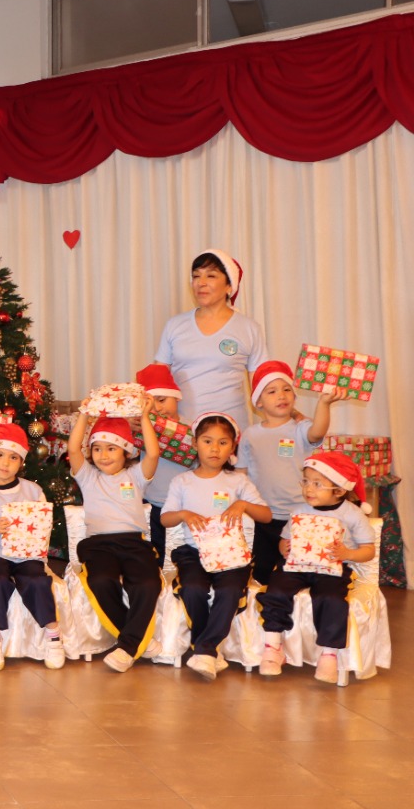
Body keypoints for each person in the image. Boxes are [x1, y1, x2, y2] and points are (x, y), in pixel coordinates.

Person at [160, 412, 270, 681]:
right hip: (193, 553)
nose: (215, 449)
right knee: (194, 588)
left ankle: (204, 650)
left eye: (223, 443)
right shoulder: (182, 481)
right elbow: (165, 519)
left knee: (230, 589)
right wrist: (184, 514)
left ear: (232, 447)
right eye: (207, 441)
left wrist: (242, 504)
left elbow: (266, 515)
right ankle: (207, 650)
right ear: (195, 443)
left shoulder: (239, 482)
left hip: (231, 555)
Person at [256, 452, 377, 683]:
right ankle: (273, 646)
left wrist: (348, 554)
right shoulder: (299, 511)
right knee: (276, 590)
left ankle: (329, 655)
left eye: (317, 484)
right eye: (305, 481)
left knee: (331, 598)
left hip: (332, 569)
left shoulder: (352, 514)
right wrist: (284, 548)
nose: (308, 489)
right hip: (296, 566)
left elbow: (369, 550)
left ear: (339, 490)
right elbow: (284, 540)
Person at [66, 410, 162, 672]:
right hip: (98, 545)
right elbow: (73, 449)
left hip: (134, 543)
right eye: (97, 449)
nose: (103, 455)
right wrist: (84, 416)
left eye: (111, 448)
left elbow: (153, 454)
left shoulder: (136, 476)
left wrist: (144, 417)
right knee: (100, 580)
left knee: (148, 583)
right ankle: (137, 641)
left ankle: (128, 646)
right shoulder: (88, 476)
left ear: (126, 452)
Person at [0, 421, 63, 671]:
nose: (5, 463)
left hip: (25, 553)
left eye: (13, 457)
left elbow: (43, 525)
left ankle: (53, 635)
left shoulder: (33, 491)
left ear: (21, 463)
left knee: (37, 580)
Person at [238, 361, 339, 585]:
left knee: (293, 572)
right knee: (261, 573)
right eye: (272, 391)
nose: (281, 396)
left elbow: (317, 431)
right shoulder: (250, 434)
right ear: (258, 402)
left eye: (286, 389)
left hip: (297, 514)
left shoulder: (300, 428)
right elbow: (241, 474)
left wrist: (324, 403)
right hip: (263, 517)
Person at [154, 249, 270, 431]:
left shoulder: (249, 328)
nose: (201, 283)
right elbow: (157, 380)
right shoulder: (174, 325)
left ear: (229, 286)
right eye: (196, 276)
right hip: (182, 431)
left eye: (211, 276)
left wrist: (293, 416)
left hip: (230, 433)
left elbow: (263, 388)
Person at [135, 363, 184, 563]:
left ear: (176, 397)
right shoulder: (142, 429)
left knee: (181, 556)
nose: (157, 408)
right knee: (153, 557)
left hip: (183, 507)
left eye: (162, 400)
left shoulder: (193, 429)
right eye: (150, 403)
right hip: (151, 503)